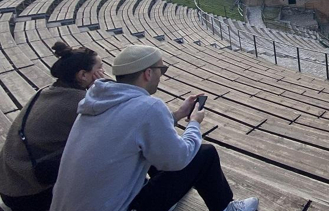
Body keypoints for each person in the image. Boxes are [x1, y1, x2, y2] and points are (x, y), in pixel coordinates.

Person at [50, 45, 259, 211]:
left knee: (154, 146)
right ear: (148, 73)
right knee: (205, 154)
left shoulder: (95, 101)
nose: (162, 75)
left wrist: (177, 115)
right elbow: (179, 159)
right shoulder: (149, 106)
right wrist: (194, 122)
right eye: (162, 70)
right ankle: (227, 208)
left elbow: (133, 127)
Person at [0, 42, 104, 211]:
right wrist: (101, 89)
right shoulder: (80, 103)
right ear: (83, 75)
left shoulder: (45, 91)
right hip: (29, 194)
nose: (103, 73)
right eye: (99, 68)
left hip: (10, 183)